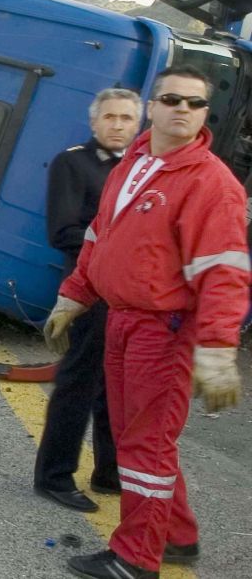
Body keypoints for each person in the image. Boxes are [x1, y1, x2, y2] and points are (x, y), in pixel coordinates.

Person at [45, 65, 248, 579]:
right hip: (122, 322)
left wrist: (219, 348)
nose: (183, 109)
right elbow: (99, 235)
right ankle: (176, 538)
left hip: (166, 331)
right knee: (144, 438)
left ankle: (136, 558)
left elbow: (223, 271)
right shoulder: (134, 164)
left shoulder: (210, 183)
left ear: (205, 114)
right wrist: (74, 294)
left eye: (195, 103)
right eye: (172, 99)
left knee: (145, 444)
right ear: (152, 107)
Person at [34, 88, 141, 512]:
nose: (118, 125)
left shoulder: (142, 169)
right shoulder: (73, 162)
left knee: (118, 387)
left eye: (127, 118)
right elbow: (63, 232)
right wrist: (124, 248)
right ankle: (54, 477)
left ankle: (110, 473)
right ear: (94, 122)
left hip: (129, 297)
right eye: (110, 117)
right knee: (78, 384)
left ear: (139, 124)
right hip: (88, 291)